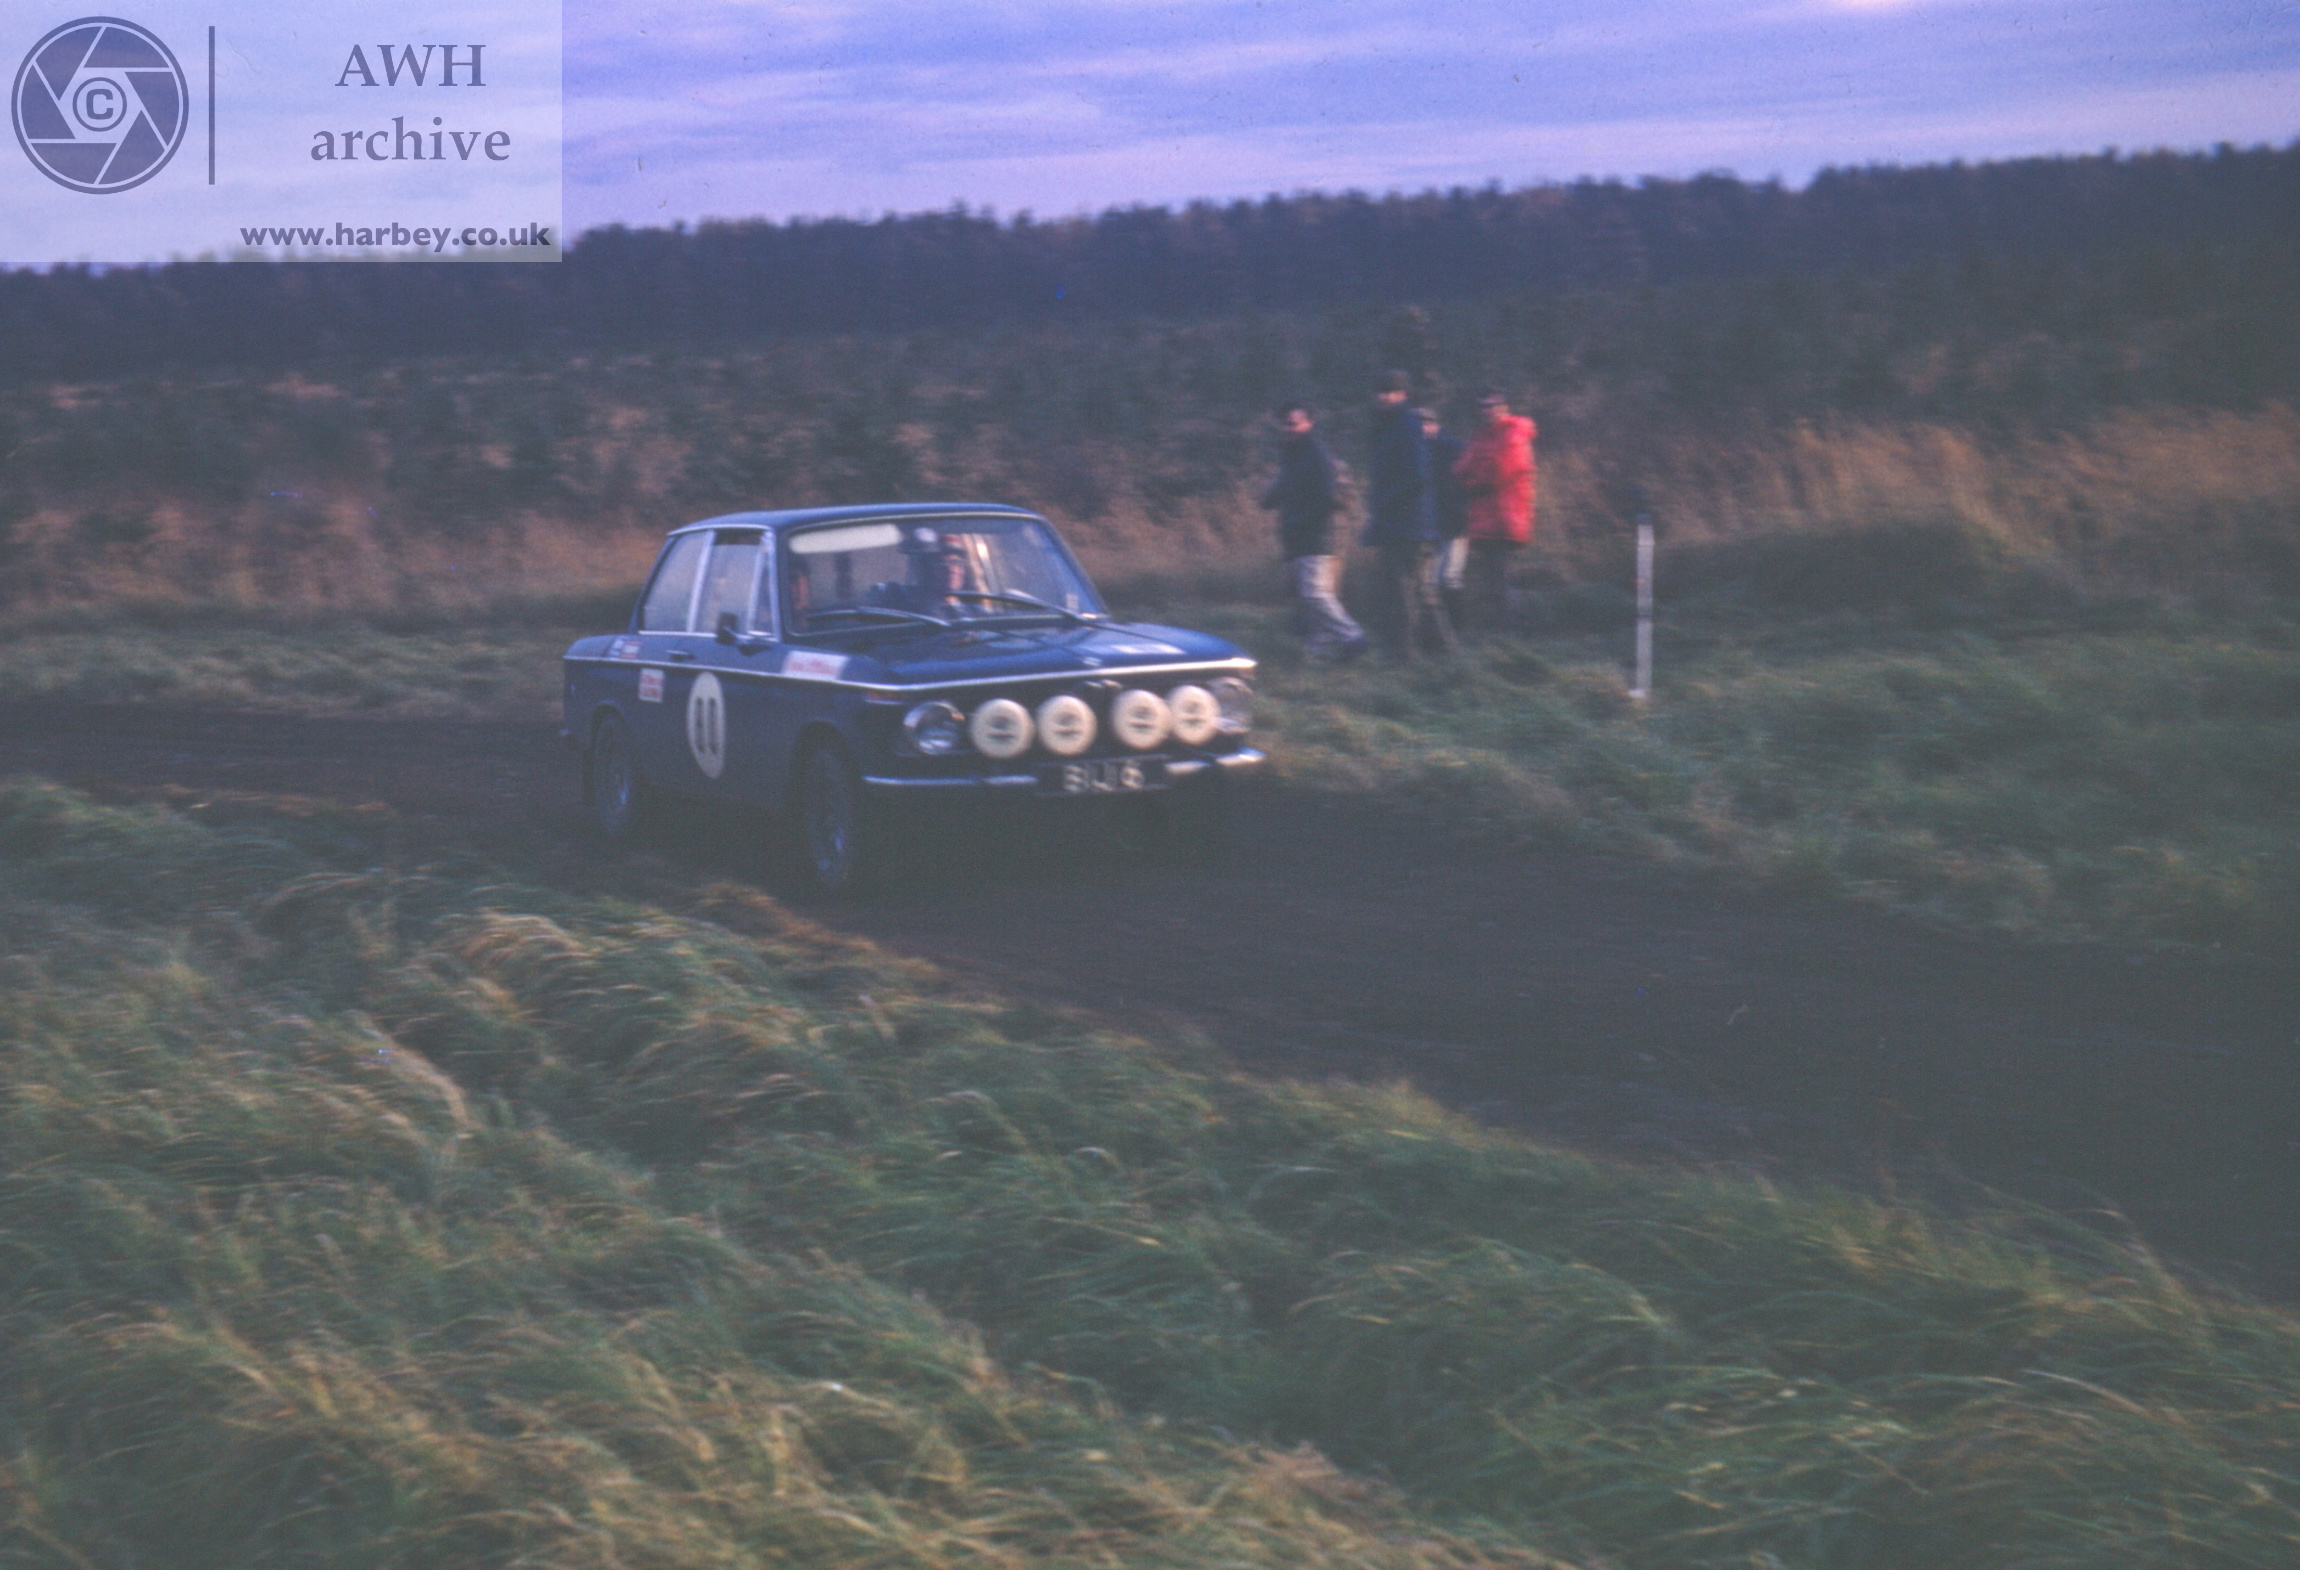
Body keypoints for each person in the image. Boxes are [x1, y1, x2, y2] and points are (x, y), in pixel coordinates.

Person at [1261, 402, 1368, 662]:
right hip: (1299, 537)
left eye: (1294, 424)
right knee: (1309, 598)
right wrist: (1269, 496)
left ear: (1309, 423)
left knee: (1316, 595)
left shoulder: (1317, 454)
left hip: (1319, 535)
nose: (1288, 429)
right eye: (1285, 424)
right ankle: (1318, 651)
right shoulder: (1292, 455)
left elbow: (1328, 497)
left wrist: (1301, 521)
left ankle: (1353, 637)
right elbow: (1277, 493)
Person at [1361, 371, 1456, 660]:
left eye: (1391, 391)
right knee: (1421, 593)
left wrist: (1384, 503)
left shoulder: (1405, 425)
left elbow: (1417, 477)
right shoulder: (1387, 426)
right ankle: (1445, 653)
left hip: (1408, 524)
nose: (1384, 397)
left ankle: (1402, 656)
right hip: (1399, 523)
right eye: (1381, 391)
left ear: (1403, 394)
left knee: (1402, 593)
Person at [1451, 389, 1537, 631]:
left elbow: (1497, 473)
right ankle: (1504, 631)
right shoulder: (1481, 436)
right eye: (1483, 406)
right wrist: (1469, 477)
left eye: (1492, 405)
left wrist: (1469, 482)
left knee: (1501, 577)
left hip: (1505, 516)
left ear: (1504, 407)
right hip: (1484, 517)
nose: (1487, 411)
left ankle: (1512, 632)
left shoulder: (1514, 435)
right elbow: (1460, 467)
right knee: (1492, 578)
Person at [1421, 408, 1470, 638]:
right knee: (1431, 581)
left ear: (1436, 425)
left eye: (1427, 423)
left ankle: (1458, 631)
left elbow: (1464, 485)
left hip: (1456, 522)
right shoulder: (1417, 451)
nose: (1423, 428)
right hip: (1430, 525)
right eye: (1419, 424)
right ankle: (1441, 634)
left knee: (1450, 577)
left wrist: (1463, 514)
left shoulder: (1453, 449)